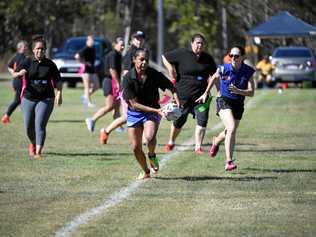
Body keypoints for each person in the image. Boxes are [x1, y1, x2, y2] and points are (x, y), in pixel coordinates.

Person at [123, 48, 179, 179]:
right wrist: (158, 110)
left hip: (151, 112)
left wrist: (175, 97)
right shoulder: (127, 78)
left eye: (146, 60)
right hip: (135, 112)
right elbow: (134, 104)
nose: (144, 62)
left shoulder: (154, 74)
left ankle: (152, 155)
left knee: (148, 138)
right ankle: (146, 171)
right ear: (134, 60)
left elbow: (170, 86)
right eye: (141, 59)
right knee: (136, 148)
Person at [196, 46, 255, 171]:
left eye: (237, 56)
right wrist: (206, 92)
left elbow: (251, 92)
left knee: (230, 130)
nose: (233, 58)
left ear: (242, 57)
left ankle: (216, 140)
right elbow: (214, 77)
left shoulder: (248, 71)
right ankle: (228, 161)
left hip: (238, 103)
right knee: (232, 127)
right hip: (223, 100)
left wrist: (239, 91)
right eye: (231, 55)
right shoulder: (224, 68)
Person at [162, 33, 217, 154]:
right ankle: (171, 141)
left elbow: (215, 76)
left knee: (202, 120)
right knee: (179, 121)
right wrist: (171, 69)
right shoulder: (182, 54)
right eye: (197, 43)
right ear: (192, 44)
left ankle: (198, 147)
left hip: (201, 97)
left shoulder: (208, 59)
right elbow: (164, 57)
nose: (199, 45)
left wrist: (219, 92)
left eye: (202, 43)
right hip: (183, 95)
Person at [17, 35, 62, 160]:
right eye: (37, 48)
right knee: (28, 126)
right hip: (28, 98)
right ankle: (32, 143)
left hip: (46, 98)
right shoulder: (27, 61)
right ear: (33, 50)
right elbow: (18, 71)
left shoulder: (50, 64)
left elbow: (58, 81)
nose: (40, 51)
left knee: (40, 124)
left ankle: (38, 151)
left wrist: (59, 93)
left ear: (45, 50)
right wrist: (18, 73)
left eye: (42, 49)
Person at [99, 30, 146, 144]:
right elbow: (126, 73)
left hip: (137, 89)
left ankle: (144, 139)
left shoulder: (141, 52)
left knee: (141, 114)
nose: (139, 41)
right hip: (130, 89)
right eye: (136, 38)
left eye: (141, 38)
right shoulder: (131, 53)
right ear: (132, 40)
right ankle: (106, 131)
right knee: (127, 116)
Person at [85, 37, 125, 132]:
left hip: (114, 81)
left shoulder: (118, 55)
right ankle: (92, 120)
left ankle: (118, 127)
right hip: (110, 81)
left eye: (124, 45)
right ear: (114, 45)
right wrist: (117, 82)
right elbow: (112, 69)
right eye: (121, 45)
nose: (123, 47)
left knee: (116, 106)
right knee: (110, 106)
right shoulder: (113, 54)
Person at [1, 40, 28, 124]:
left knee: (22, 100)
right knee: (17, 100)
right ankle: (6, 116)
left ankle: (28, 116)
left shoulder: (15, 56)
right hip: (20, 82)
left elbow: (9, 66)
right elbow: (20, 69)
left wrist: (13, 73)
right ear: (20, 48)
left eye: (26, 46)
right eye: (25, 46)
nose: (26, 48)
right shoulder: (22, 58)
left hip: (16, 81)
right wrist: (16, 73)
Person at [75, 35, 98, 107]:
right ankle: (88, 103)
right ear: (87, 41)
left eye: (93, 40)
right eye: (91, 40)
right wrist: (84, 63)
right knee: (87, 87)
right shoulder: (85, 49)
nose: (92, 42)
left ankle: (85, 96)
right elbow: (77, 56)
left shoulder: (93, 48)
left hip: (92, 69)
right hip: (85, 70)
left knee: (97, 86)